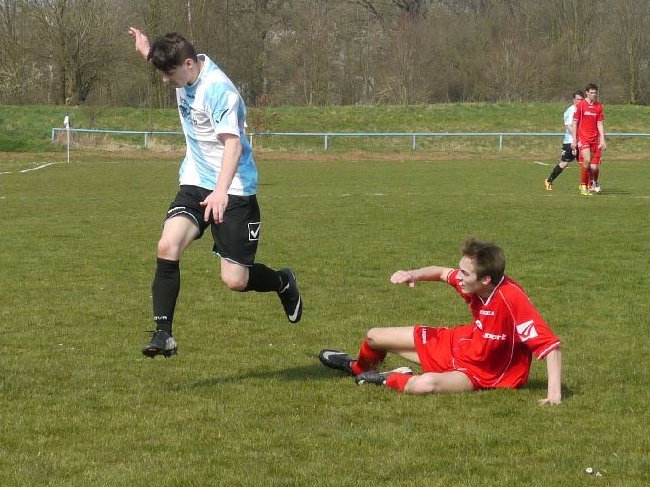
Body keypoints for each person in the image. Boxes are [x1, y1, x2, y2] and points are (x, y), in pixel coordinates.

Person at [127, 28, 302, 358]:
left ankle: (282, 281)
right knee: (167, 245)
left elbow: (233, 145)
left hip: (233, 187)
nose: (165, 80)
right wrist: (147, 51)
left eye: (169, 73)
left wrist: (221, 191)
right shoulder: (184, 68)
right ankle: (163, 334)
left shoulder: (219, 90)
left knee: (235, 280)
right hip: (195, 180)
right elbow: (166, 62)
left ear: (188, 64)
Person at [319, 238, 562, 405]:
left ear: (486, 280)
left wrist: (553, 395)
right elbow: (442, 272)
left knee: (424, 385)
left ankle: (386, 378)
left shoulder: (511, 298)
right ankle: (358, 368)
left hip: (484, 374)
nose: (459, 277)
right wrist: (413, 274)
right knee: (374, 336)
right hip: (462, 344)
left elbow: (551, 347)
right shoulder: (474, 283)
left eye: (465, 273)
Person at [544, 91, 584, 191]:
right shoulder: (570, 111)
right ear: (573, 100)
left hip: (581, 141)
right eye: (578, 99)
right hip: (570, 141)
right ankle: (549, 180)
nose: (580, 101)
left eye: (581, 99)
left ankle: (586, 184)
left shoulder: (583, 110)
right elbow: (569, 126)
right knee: (564, 163)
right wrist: (576, 138)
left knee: (585, 163)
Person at [572, 84, 606, 195]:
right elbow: (575, 122)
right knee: (586, 160)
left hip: (594, 140)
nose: (593, 94)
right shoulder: (581, 105)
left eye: (595, 93)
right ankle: (583, 185)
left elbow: (599, 123)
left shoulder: (598, 106)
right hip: (583, 138)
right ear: (587, 93)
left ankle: (593, 183)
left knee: (593, 167)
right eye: (591, 93)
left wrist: (602, 139)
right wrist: (574, 139)